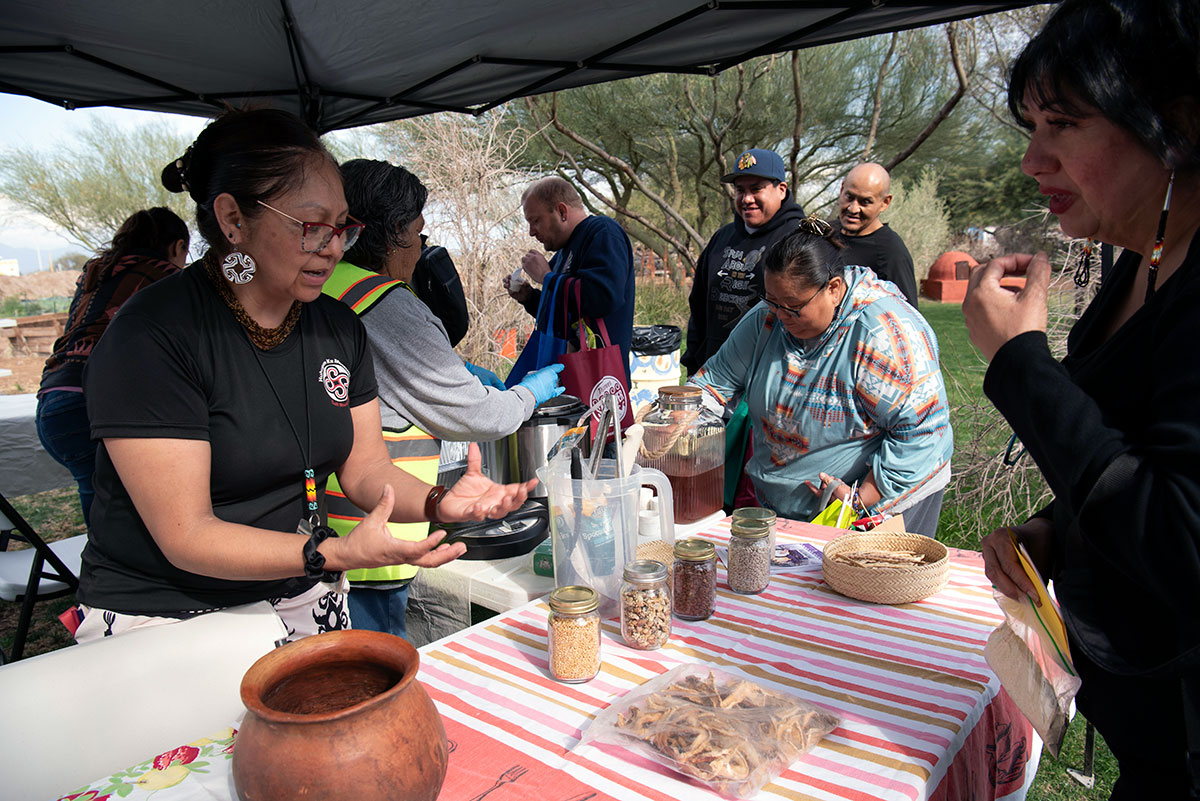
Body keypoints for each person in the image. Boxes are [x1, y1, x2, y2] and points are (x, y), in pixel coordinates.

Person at [74, 109, 533, 643]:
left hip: (297, 591)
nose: (335, 247)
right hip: (166, 616)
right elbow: (186, 533)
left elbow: (364, 469)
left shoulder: (335, 326)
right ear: (232, 219)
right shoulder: (154, 336)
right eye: (313, 227)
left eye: (342, 227)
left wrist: (439, 503)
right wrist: (330, 552)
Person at [961, 2, 1200, 797]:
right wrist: (1053, 534)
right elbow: (1132, 450)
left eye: (1062, 124)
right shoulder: (1138, 259)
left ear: (1177, 122)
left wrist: (1020, 362)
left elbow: (1182, 541)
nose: (1033, 160)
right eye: (1031, 126)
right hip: (1148, 737)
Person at [324, 158, 564, 638]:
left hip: (317, 535)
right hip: (374, 540)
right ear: (392, 233)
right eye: (417, 234)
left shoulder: (323, 285)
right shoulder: (385, 303)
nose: (419, 250)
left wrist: (458, 375)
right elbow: (478, 415)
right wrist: (526, 395)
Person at [690, 217, 952, 535]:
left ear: (834, 289)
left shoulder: (882, 333)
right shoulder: (768, 319)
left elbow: (922, 433)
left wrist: (860, 500)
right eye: (773, 302)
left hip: (884, 505)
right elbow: (715, 383)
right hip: (790, 509)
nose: (780, 316)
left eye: (794, 307)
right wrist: (675, 420)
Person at [36, 207, 189, 527]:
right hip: (94, 400)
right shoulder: (164, 274)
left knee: (101, 500)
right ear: (177, 247)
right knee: (119, 520)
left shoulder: (96, 272)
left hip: (53, 397)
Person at [682, 148, 806, 375]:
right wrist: (693, 362)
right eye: (740, 190)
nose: (747, 199)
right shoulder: (723, 237)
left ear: (781, 190)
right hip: (714, 372)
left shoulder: (799, 238)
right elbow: (699, 303)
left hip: (770, 373)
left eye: (756, 189)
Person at [504, 176, 635, 384]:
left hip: (600, 384)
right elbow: (566, 313)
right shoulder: (564, 251)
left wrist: (547, 278)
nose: (531, 232)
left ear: (562, 212)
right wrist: (529, 297)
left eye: (535, 220)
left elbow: (603, 298)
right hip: (572, 380)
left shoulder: (603, 233)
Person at [830, 162, 919, 307]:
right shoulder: (826, 234)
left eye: (865, 202)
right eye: (849, 197)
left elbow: (907, 318)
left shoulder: (892, 252)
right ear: (841, 189)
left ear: (885, 202)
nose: (853, 209)